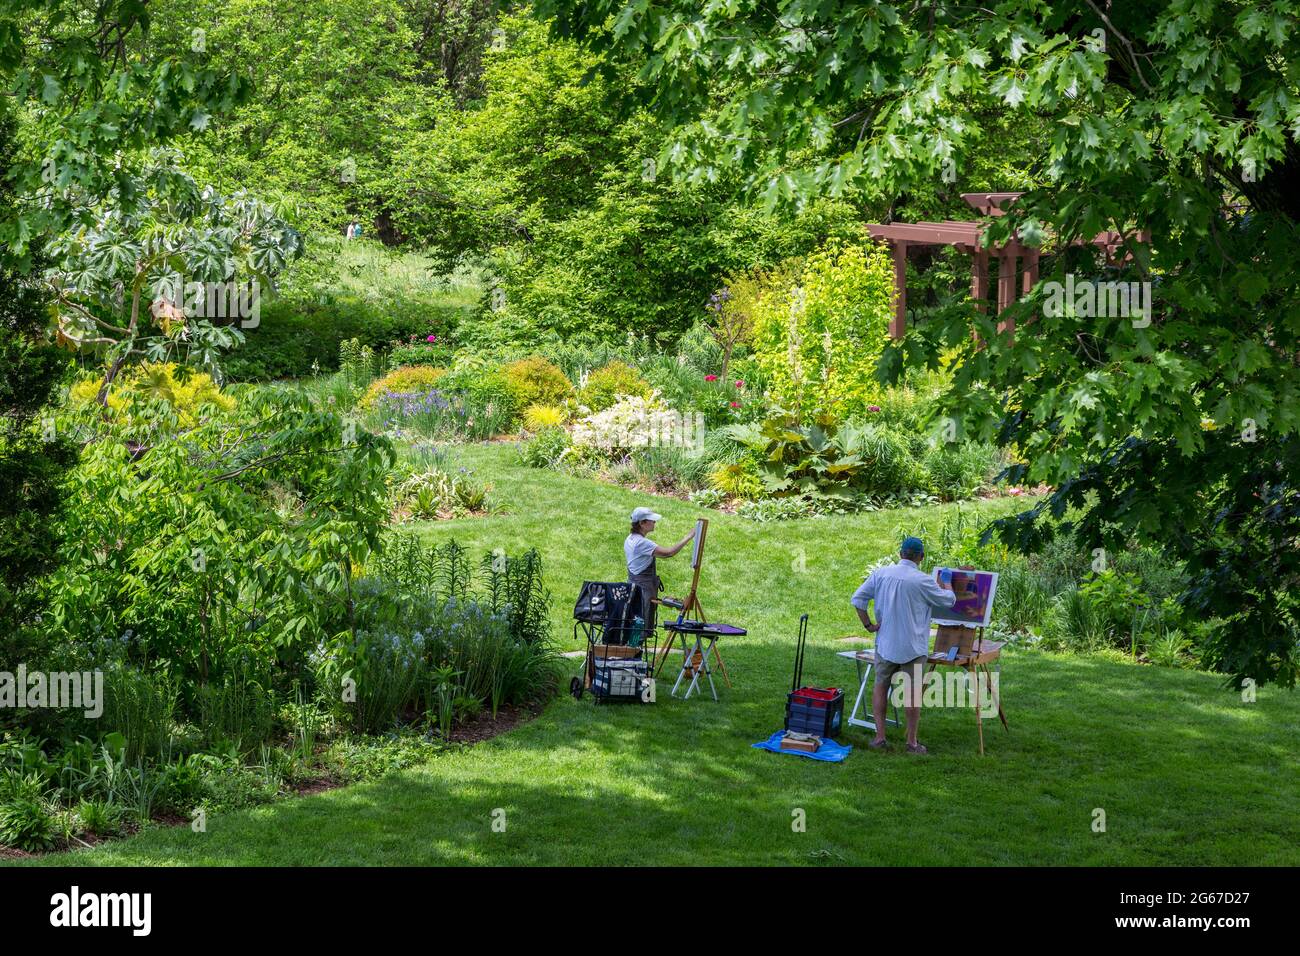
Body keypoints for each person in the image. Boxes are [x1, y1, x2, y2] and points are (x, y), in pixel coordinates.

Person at [850, 536, 955, 754]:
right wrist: (947, 583)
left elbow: (857, 599)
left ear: (900, 554)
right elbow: (948, 601)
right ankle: (912, 743)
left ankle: (879, 738)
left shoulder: (881, 574)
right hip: (913, 647)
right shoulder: (922, 580)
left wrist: (868, 624)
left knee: (880, 686)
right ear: (921, 557)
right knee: (912, 694)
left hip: (886, 644)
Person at [624, 506, 694, 637]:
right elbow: (669, 553)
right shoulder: (641, 543)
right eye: (651, 520)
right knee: (641, 624)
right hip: (643, 589)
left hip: (634, 587)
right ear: (642, 523)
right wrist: (688, 537)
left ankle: (634, 651)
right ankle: (635, 653)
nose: (654, 522)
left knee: (636, 622)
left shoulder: (630, 539)